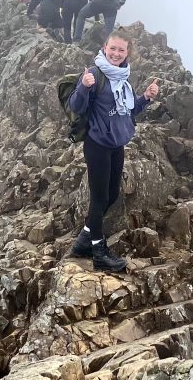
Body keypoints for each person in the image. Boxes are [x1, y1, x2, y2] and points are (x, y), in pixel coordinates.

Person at [66, 32, 160, 271]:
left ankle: (83, 241)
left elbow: (128, 112)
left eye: (121, 50)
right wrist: (84, 88)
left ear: (128, 53)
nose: (116, 54)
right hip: (97, 144)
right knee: (99, 200)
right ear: (104, 47)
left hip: (116, 144)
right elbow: (76, 106)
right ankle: (99, 251)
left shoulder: (123, 79)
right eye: (113, 49)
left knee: (111, 195)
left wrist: (146, 98)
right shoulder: (94, 74)